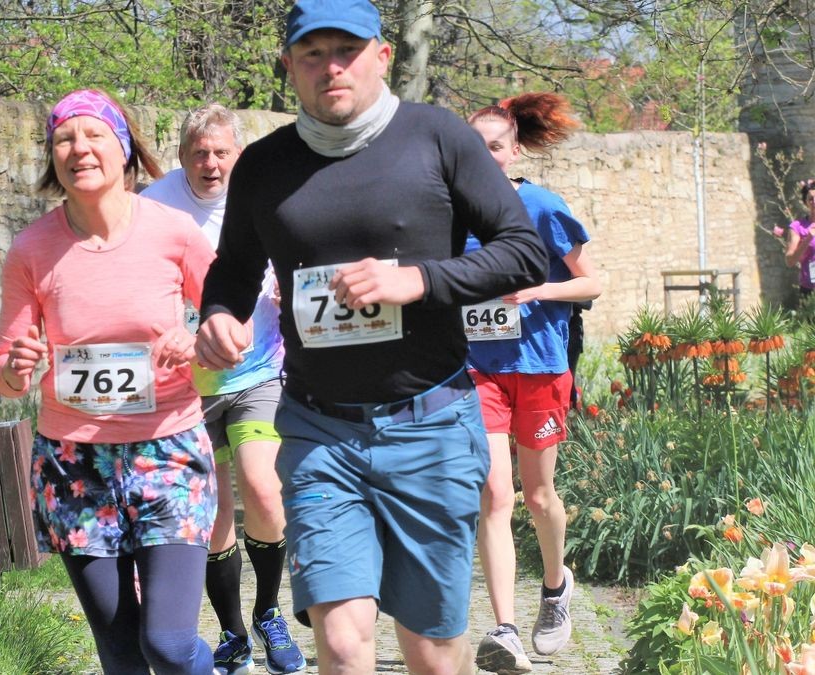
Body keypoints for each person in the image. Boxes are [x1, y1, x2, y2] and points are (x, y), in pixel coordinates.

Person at [195, 0, 549, 669]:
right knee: (341, 637)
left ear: (381, 56)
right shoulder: (263, 166)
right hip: (318, 429)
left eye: (347, 51)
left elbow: (523, 251)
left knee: (431, 651)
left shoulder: (438, 138)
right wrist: (219, 313)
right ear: (288, 68)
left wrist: (419, 281)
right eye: (312, 54)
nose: (331, 67)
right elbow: (234, 269)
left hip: (432, 425)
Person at [0, 88, 218, 674]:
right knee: (120, 654)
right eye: (64, 138)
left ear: (124, 149)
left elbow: (230, 323)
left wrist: (198, 343)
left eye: (93, 135)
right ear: (51, 157)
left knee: (166, 644)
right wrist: (15, 367)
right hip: (73, 463)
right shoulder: (31, 249)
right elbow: (4, 368)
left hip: (168, 450)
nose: (78, 149)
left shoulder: (175, 232)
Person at [142, 105, 306, 675]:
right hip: (185, 386)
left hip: (257, 370)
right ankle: (232, 633)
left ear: (238, 154)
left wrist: (294, 285)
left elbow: (305, 252)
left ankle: (268, 612)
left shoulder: (263, 194)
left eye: (221, 153)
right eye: (200, 154)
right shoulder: (153, 204)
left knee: (263, 489)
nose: (211, 164)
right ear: (183, 156)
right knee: (211, 512)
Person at [464, 93, 603, 673]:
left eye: (494, 147)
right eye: (473, 148)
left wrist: (536, 291)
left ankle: (554, 588)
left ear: (513, 149)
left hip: (541, 366)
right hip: (478, 368)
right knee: (494, 494)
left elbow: (591, 284)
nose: (484, 156)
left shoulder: (541, 205)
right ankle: (504, 630)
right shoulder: (449, 213)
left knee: (538, 495)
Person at [783, 179, 815, 297]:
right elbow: (790, 261)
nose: (814, 202)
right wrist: (808, 239)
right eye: (810, 199)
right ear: (806, 203)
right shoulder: (797, 227)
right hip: (810, 291)